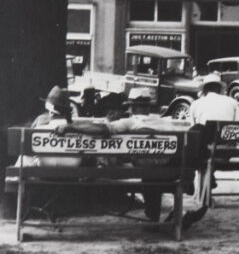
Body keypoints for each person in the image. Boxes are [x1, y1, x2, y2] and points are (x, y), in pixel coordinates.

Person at [56, 89, 206, 228]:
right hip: (172, 168)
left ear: (132, 107)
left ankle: (153, 218)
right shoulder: (162, 121)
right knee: (151, 174)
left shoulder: (130, 122)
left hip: (150, 169)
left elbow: (102, 130)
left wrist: (72, 127)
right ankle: (159, 218)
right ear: (148, 107)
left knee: (147, 173)